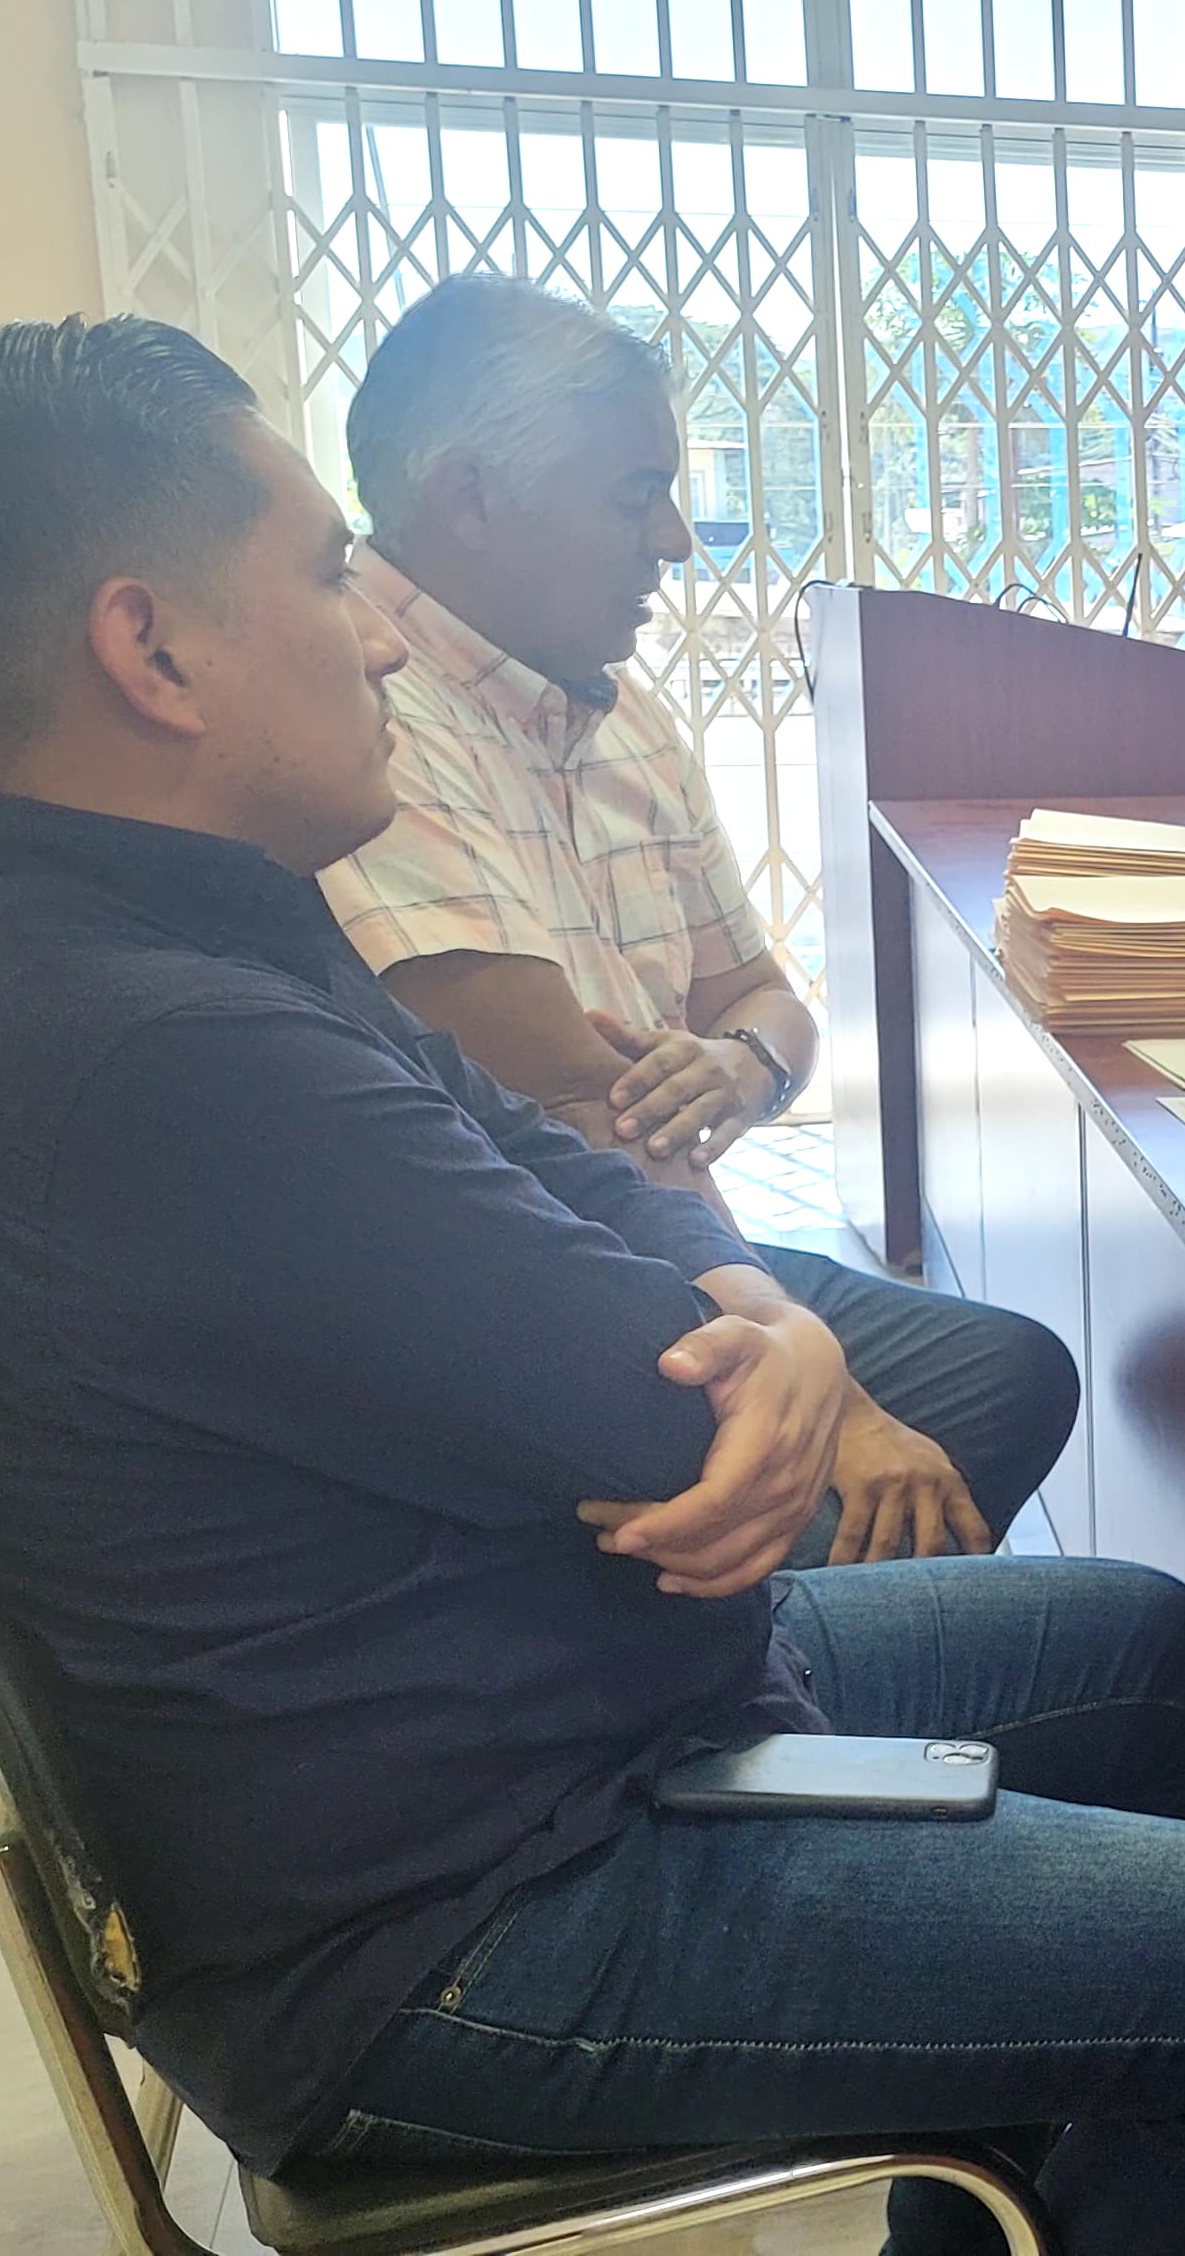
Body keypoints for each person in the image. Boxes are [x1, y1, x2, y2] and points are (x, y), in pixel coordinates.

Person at [0, 317, 1185, 2256]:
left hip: (525, 1716)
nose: (378, 637)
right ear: (151, 652)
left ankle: (984, 2192)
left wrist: (782, 1321)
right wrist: (767, 1350)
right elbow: (667, 1414)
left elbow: (553, 1152)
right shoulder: (149, 1056)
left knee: (1138, 1650)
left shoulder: (133, 922)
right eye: (324, 575)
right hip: (458, 1911)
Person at [327, 276, 1067, 1568]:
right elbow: (583, 1108)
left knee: (1005, 1375)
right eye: (635, 496)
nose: (675, 540)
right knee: (1027, 1562)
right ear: (469, 499)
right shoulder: (360, 721)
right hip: (532, 1285)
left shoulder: (620, 714)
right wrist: (833, 1404)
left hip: (671, 1233)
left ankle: (826, 1659)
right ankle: (780, 1654)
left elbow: (766, 1001)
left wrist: (741, 1062)